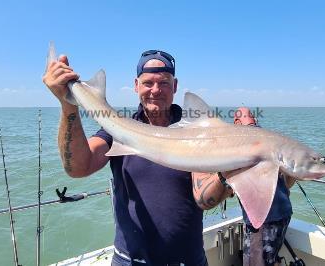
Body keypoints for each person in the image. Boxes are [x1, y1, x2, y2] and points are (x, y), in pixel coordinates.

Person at [43, 49, 231, 265]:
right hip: (129, 260)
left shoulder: (195, 132)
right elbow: (78, 167)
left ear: (175, 86)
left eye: (164, 83)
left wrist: (227, 175)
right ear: (136, 85)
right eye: (148, 83)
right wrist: (68, 104)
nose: (156, 90)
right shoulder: (119, 129)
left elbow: (204, 198)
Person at [231, 107, 295, 266]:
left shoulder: (240, 144)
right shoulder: (270, 139)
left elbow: (231, 187)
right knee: (271, 257)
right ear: (254, 120)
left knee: (256, 261)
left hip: (262, 219)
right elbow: (291, 176)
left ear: (237, 123)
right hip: (284, 213)